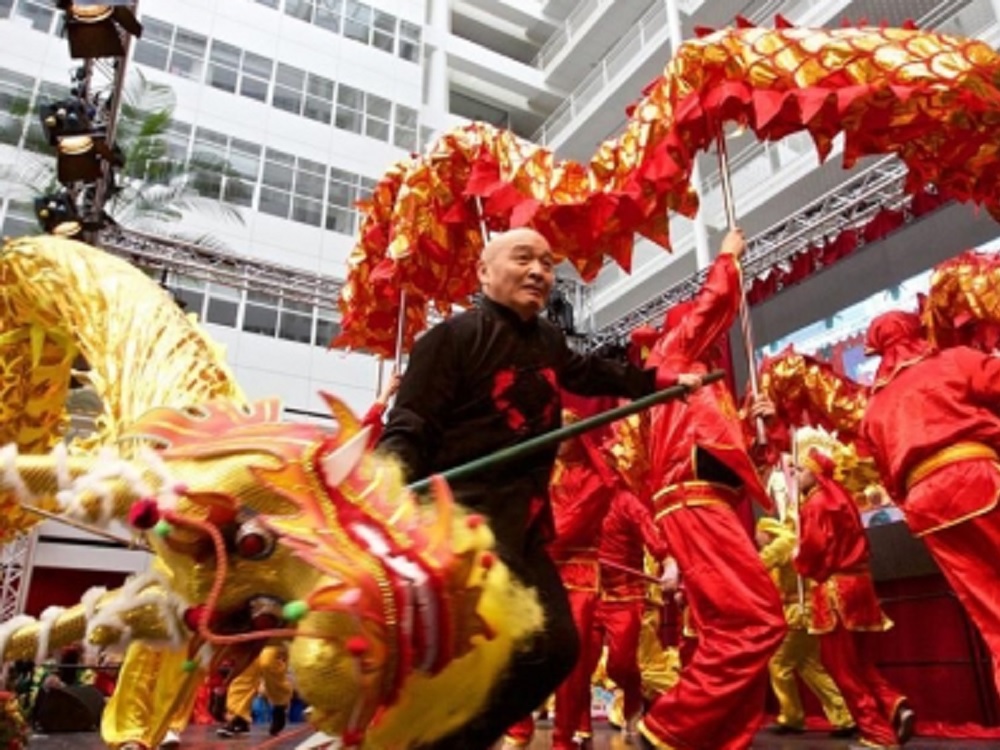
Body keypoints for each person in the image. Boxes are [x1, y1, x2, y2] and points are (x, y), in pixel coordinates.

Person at [378, 227, 688, 750]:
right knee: (488, 649)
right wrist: (383, 493)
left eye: (548, 264)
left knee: (557, 648)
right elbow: (408, 425)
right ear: (483, 271)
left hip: (522, 525)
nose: (540, 273)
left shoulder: (547, 340)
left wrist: (657, 383)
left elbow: (589, 374)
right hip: (461, 522)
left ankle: (452, 740)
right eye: (524, 259)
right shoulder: (449, 339)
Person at [636, 228, 787, 750]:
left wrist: (758, 429)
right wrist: (726, 258)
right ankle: (668, 727)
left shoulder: (704, 387)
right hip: (692, 501)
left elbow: (734, 464)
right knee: (761, 619)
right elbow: (711, 308)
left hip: (707, 501)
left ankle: (719, 739)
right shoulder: (671, 356)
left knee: (729, 631)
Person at [861, 309, 1000, 693]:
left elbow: (890, 480)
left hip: (928, 507)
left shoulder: (874, 408)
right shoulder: (954, 361)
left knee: (991, 614)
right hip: (977, 479)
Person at [794, 445, 914, 748]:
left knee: (839, 666)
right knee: (860, 661)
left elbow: (813, 549)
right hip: (861, 583)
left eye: (801, 469)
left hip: (836, 589)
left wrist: (800, 559)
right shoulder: (842, 498)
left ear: (815, 473)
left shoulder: (816, 503)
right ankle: (893, 703)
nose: (796, 475)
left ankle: (877, 734)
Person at [756, 516, 855, 738]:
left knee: (778, 664)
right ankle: (845, 716)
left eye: (758, 535)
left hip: (797, 612)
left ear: (766, 531)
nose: (758, 540)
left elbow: (757, 564)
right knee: (810, 667)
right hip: (807, 609)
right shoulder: (792, 541)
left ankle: (791, 717)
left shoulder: (782, 542)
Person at [594, 482, 670, 742]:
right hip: (588, 590)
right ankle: (577, 730)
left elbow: (652, 533)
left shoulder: (627, 501)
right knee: (580, 664)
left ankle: (634, 702)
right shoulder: (584, 499)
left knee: (620, 664)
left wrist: (668, 562)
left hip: (625, 595)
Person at [217, 644, 293, 739]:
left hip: (275, 638)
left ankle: (280, 705)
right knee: (246, 666)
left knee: (267, 660)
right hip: (253, 637)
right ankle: (239, 717)